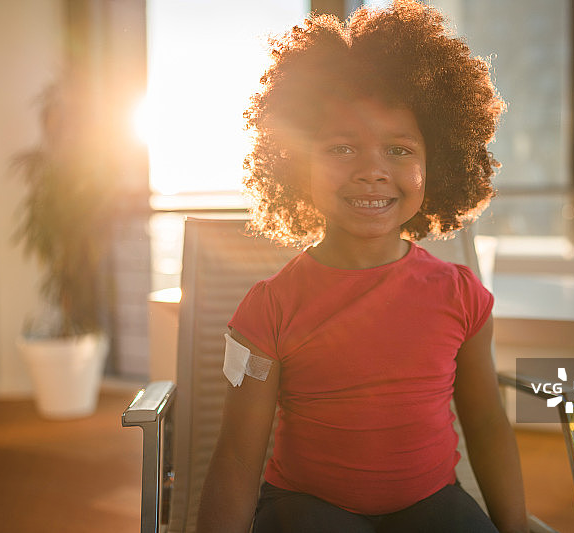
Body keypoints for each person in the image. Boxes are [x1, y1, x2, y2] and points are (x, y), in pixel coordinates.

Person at [197, 1, 528, 531]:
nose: (372, 171)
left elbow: (487, 426)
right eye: (342, 148)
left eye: (399, 150)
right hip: (307, 509)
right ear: (296, 164)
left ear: (436, 163)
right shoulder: (269, 309)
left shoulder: (462, 297)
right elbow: (237, 457)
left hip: (433, 504)